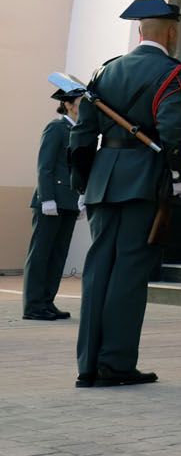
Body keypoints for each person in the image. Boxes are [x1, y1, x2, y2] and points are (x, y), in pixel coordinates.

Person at [68, 0, 181, 387]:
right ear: (170, 32)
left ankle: (88, 365)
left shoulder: (104, 72)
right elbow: (172, 130)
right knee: (129, 271)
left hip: (103, 180)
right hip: (143, 180)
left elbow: (82, 133)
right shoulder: (174, 74)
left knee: (97, 270)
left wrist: (82, 183)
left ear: (140, 32)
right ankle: (117, 364)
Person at [23, 87, 84, 320]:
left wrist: (80, 197)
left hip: (68, 202)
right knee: (41, 254)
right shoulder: (56, 128)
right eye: (80, 101)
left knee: (58, 255)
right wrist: (47, 198)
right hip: (51, 202)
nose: (84, 106)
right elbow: (45, 166)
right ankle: (33, 306)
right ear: (68, 104)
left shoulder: (79, 131)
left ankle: (48, 302)